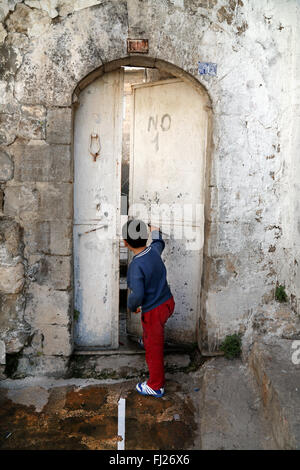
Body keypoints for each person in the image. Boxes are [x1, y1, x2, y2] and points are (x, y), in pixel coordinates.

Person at [122, 219, 175, 398]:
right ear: (145, 238)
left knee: (153, 351)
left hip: (154, 310)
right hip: (167, 303)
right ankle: (150, 338)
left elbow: (137, 294)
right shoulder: (153, 251)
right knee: (153, 332)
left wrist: (132, 306)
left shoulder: (135, 266)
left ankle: (155, 385)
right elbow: (159, 242)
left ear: (125, 243)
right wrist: (155, 231)